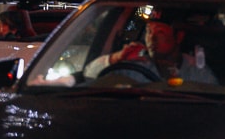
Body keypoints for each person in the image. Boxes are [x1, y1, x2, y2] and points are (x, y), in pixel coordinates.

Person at [89, 9, 218, 84]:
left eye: (160, 33)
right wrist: (115, 59)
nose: (152, 38)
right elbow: (89, 75)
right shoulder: (134, 67)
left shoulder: (196, 72)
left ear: (178, 37)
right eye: (149, 32)